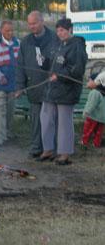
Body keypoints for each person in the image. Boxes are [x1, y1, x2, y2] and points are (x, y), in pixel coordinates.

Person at [39, 18, 87, 165]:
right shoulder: (57, 44)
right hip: (51, 90)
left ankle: (64, 154)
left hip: (67, 90)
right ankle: (48, 150)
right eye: (58, 30)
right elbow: (51, 62)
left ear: (70, 30)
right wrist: (43, 62)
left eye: (63, 30)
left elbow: (77, 70)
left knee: (64, 123)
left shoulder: (77, 46)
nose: (60, 33)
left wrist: (59, 76)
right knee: (46, 119)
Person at [16, 11, 56, 158]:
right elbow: (20, 65)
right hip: (34, 87)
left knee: (50, 120)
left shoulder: (54, 38)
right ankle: (36, 147)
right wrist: (20, 86)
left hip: (51, 87)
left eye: (34, 23)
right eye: (30, 24)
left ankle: (50, 148)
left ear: (42, 21)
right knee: (36, 120)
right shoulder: (26, 42)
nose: (31, 26)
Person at [0, 20, 20, 146]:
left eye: (11, 30)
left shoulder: (18, 44)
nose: (10, 33)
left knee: (10, 109)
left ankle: (7, 132)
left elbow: (21, 62)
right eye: (7, 30)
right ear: (1, 30)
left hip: (13, 82)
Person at [80, 74, 105, 148]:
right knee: (99, 132)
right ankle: (96, 144)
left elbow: (91, 104)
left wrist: (86, 112)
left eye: (89, 81)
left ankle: (84, 142)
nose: (88, 82)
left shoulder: (95, 92)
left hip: (93, 116)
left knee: (88, 130)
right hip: (102, 118)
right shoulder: (102, 92)